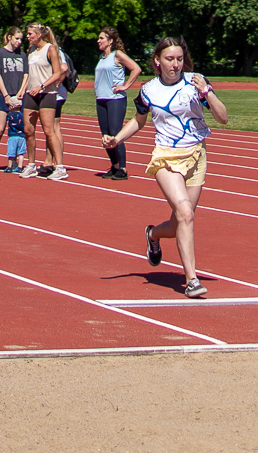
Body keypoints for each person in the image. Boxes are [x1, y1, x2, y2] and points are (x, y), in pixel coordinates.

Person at [105, 37, 228, 298]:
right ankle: (191, 280)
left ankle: (153, 234)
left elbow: (223, 118)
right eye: (170, 59)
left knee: (180, 221)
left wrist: (207, 92)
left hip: (196, 155)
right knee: (185, 213)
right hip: (165, 157)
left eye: (179, 59)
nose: (176, 64)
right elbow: (139, 121)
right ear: (158, 61)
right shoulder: (148, 90)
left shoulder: (196, 82)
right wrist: (117, 138)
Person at [92, 27, 143, 180]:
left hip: (115, 99)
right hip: (101, 99)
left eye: (101, 38)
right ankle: (114, 166)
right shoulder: (102, 57)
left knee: (116, 134)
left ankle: (123, 168)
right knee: (105, 135)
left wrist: (125, 86)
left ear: (110, 41)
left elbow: (136, 69)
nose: (98, 41)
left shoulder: (117, 55)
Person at [21, 23, 69, 180]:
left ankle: (60, 167)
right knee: (28, 130)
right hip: (31, 93)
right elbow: (29, 74)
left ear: (39, 35)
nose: (27, 37)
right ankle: (31, 165)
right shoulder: (31, 51)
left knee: (49, 131)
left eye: (30, 34)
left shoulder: (50, 49)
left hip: (47, 93)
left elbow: (57, 73)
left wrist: (42, 86)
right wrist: (23, 90)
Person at [0, 28, 29, 173]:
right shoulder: (0, 53)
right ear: (10, 37)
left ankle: (15, 162)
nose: (19, 42)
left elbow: (26, 75)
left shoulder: (22, 55)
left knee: (19, 130)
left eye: (21, 39)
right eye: (17, 38)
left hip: (19, 96)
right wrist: (6, 95)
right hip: (4, 95)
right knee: (0, 129)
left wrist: (20, 93)